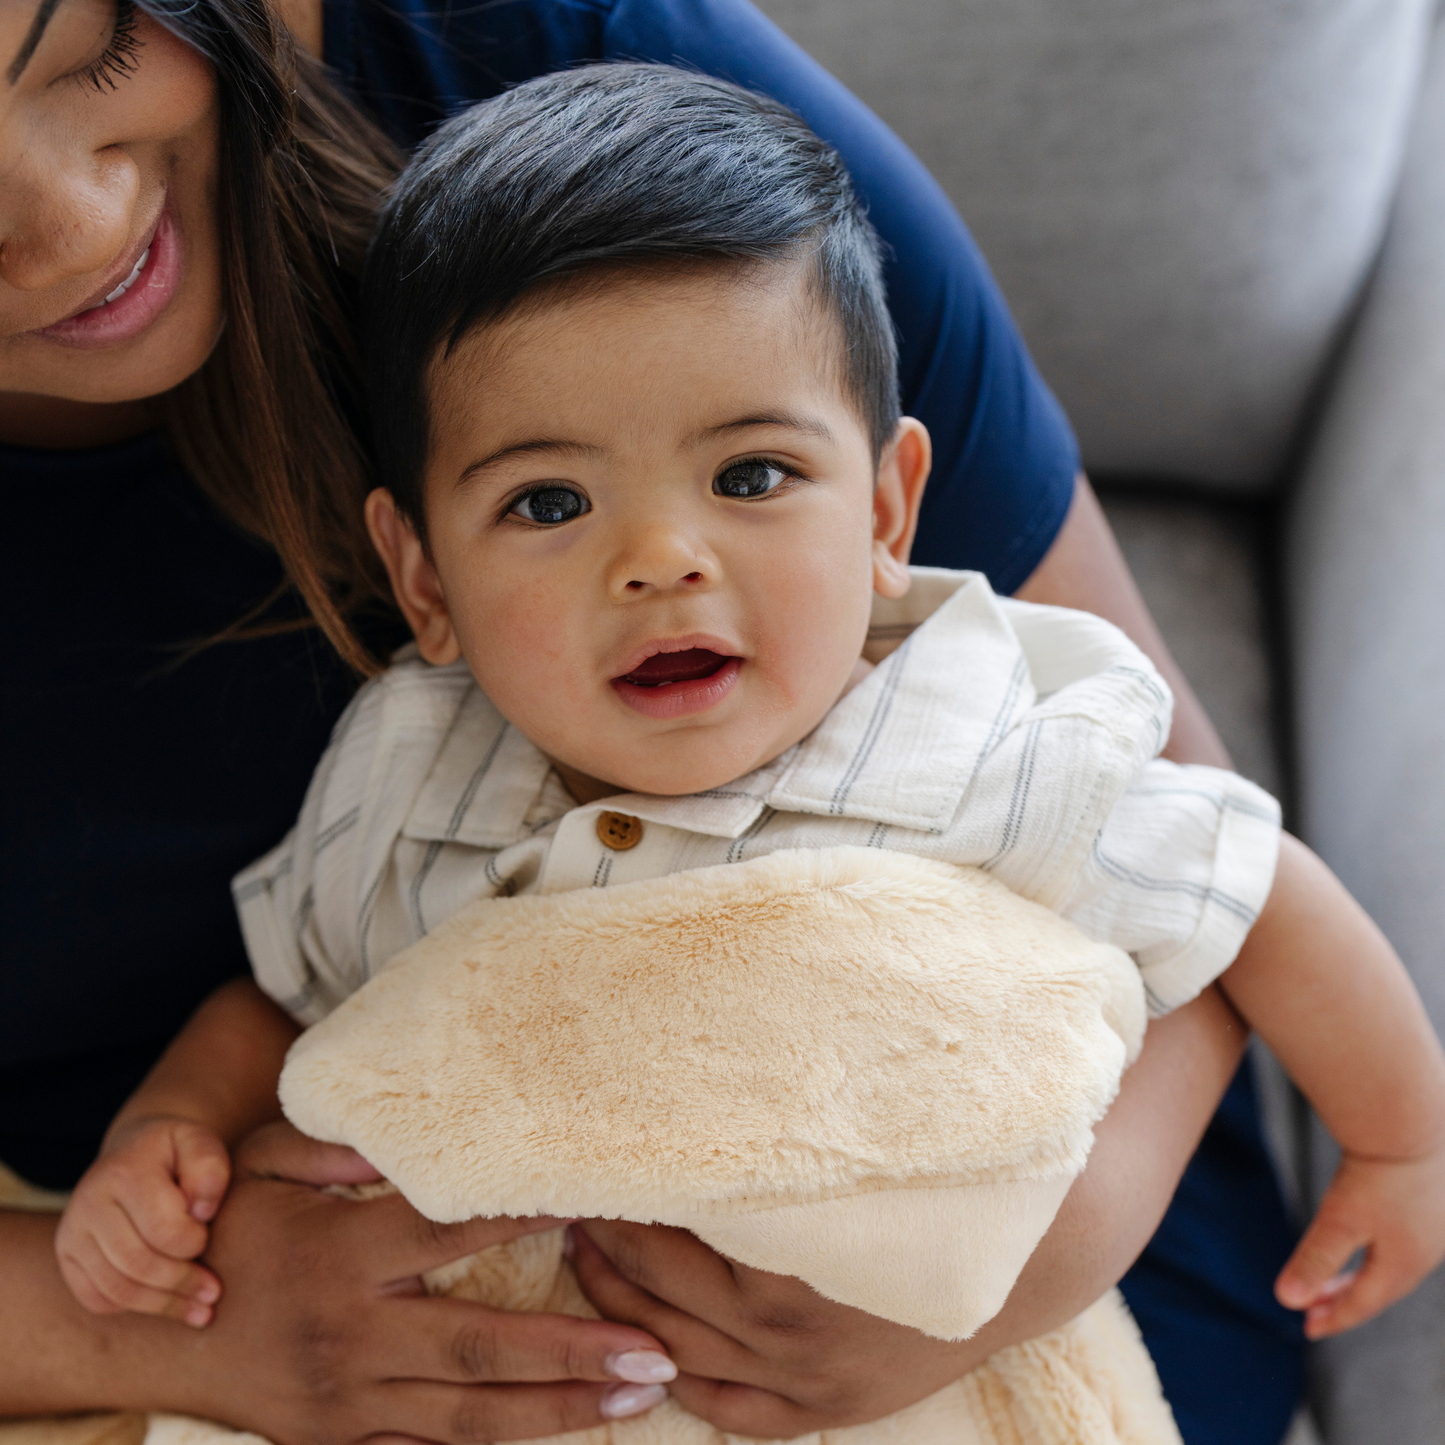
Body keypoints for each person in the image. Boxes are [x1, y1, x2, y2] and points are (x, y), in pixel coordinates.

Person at [47, 63, 1445, 1442]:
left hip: (923, 1379)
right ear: (421, 583)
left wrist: (1402, 1137)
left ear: (892, 507)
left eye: (751, 478)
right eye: (550, 501)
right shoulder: (416, 774)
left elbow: (1252, 885)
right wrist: (168, 1126)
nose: (661, 559)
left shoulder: (975, 729)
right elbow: (282, 984)